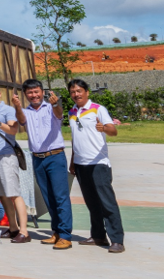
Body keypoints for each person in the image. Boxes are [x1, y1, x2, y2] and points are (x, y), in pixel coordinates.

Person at [67, 78, 124, 253]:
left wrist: (104, 128)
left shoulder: (98, 109)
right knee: (92, 203)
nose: (76, 94)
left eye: (79, 91)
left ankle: (117, 240)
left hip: (98, 163)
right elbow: (76, 139)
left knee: (107, 202)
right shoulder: (72, 112)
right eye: (73, 92)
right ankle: (98, 235)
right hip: (81, 164)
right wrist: (73, 161)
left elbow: (113, 131)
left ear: (87, 92)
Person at [13, 79, 72, 249]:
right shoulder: (26, 111)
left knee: (60, 197)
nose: (34, 95)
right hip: (37, 158)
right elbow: (21, 120)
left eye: (36, 91)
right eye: (30, 93)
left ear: (42, 92)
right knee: (48, 197)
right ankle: (57, 232)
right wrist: (17, 106)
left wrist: (56, 104)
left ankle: (65, 235)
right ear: (26, 95)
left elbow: (59, 114)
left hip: (55, 156)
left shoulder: (51, 108)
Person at [0, 81, 29, 242]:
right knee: (2, 194)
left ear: (0, 94)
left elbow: (13, 130)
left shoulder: (8, 110)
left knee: (14, 194)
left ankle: (24, 231)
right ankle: (13, 228)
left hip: (7, 156)